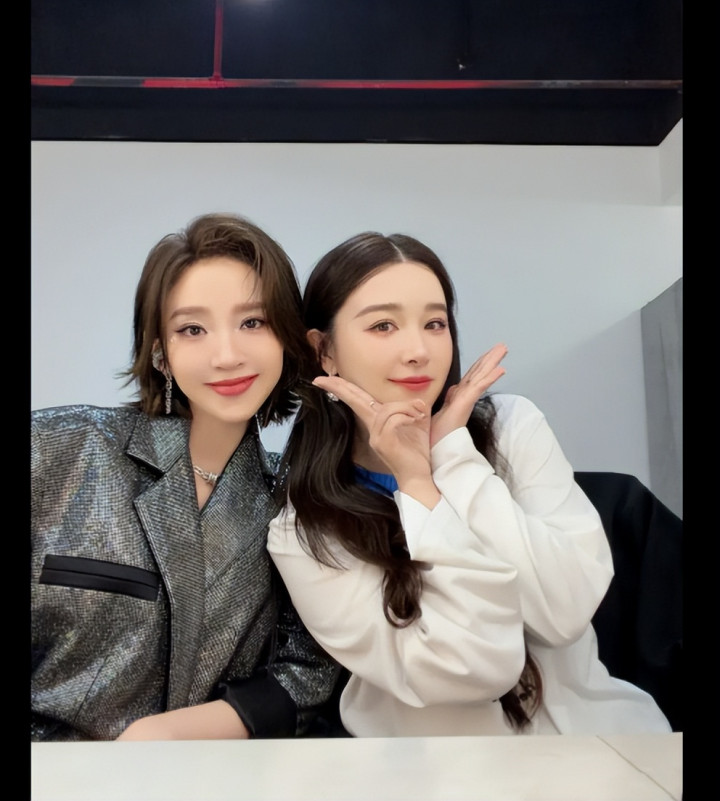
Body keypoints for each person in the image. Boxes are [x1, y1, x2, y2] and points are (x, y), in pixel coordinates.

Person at [267, 231, 672, 737]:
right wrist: (418, 483)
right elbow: (475, 668)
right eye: (383, 325)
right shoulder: (305, 531)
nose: (418, 350)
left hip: (597, 740)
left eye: (434, 323)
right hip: (437, 762)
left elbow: (563, 613)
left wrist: (453, 457)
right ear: (324, 350)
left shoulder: (512, 428)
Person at [31, 212, 339, 741]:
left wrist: (163, 735)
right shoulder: (58, 449)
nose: (227, 355)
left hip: (197, 777)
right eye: (192, 329)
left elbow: (307, 673)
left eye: (253, 322)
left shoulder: (291, 504)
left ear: (288, 339)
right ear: (160, 353)